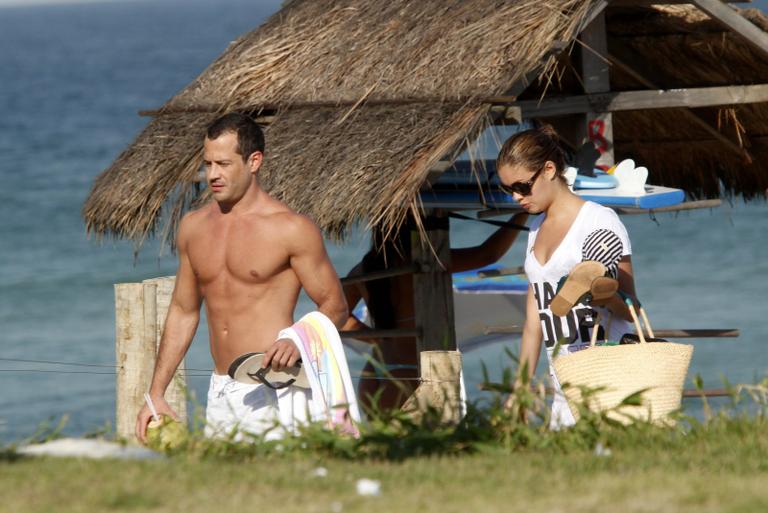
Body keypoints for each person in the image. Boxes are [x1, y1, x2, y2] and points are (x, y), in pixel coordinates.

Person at [135, 112, 348, 443]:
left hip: (273, 387)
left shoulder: (291, 229)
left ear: (254, 161)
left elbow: (335, 306)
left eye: (223, 164)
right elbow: (183, 311)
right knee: (224, 490)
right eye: (208, 164)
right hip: (220, 388)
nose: (213, 175)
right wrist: (156, 393)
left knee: (278, 490)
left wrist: (298, 337)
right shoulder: (193, 227)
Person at [495, 125, 637, 429]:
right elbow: (535, 323)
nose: (516, 197)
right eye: (509, 190)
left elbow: (632, 310)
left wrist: (602, 294)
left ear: (548, 170)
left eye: (522, 186)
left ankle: (589, 282)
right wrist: (521, 387)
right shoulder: (535, 231)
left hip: (606, 371)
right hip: (561, 376)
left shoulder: (598, 221)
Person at [342, 212, 529, 411]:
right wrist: (521, 215)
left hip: (374, 372)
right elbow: (488, 254)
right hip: (412, 373)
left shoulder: (362, 269)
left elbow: (338, 317)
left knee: (382, 440)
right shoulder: (427, 263)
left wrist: (376, 339)